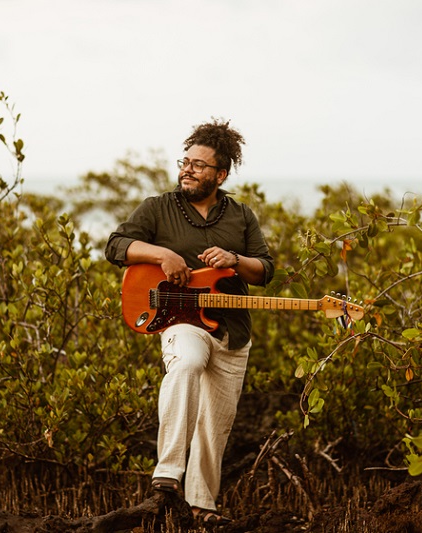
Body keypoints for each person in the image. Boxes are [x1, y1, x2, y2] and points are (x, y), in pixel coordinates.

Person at [104, 119, 275, 525]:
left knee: (215, 427)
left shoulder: (241, 216)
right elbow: (116, 246)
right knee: (187, 362)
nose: (188, 170)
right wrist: (161, 254)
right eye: (186, 162)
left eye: (199, 165)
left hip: (234, 332)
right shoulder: (157, 208)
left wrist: (235, 260)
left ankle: (202, 506)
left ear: (221, 174)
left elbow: (264, 270)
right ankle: (166, 475)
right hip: (183, 322)